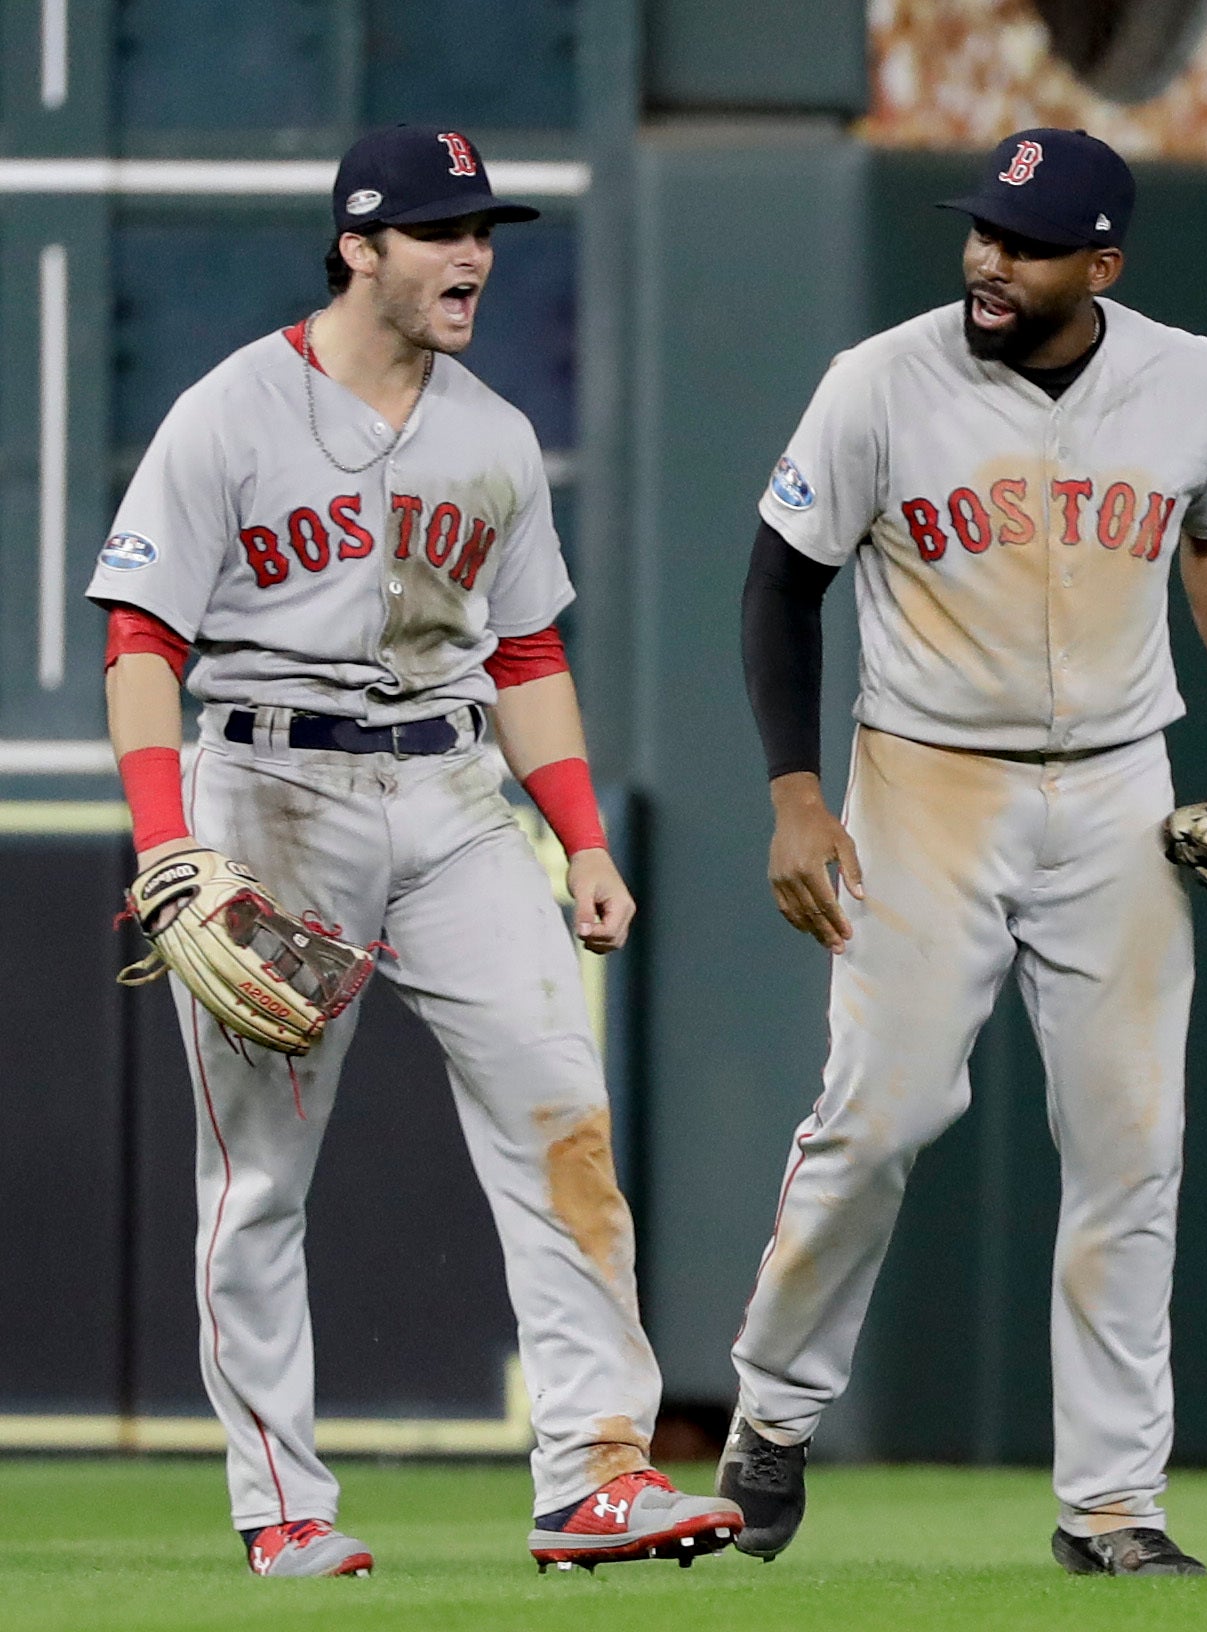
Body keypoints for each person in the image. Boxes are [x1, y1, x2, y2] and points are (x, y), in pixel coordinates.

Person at [89, 123, 741, 1579]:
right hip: (265, 786)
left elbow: (521, 650)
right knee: (257, 1179)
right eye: (441, 230)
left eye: (483, 230)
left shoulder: (493, 434)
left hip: (453, 801)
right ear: (358, 246)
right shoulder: (229, 413)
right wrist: (168, 844)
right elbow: (141, 641)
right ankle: (284, 1507)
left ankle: (595, 1478)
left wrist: (577, 836)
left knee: (562, 1115)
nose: (472, 257)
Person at [717, 127, 1207, 1576]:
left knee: (1129, 1148)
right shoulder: (879, 381)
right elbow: (778, 583)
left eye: (1026, 244)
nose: (988, 257)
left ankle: (1111, 1506)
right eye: (981, 230)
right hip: (921, 779)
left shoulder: (1184, 376)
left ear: (1099, 265)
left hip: (1113, 783)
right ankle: (772, 1412)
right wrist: (797, 792)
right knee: (879, 1119)